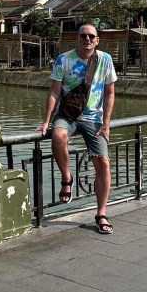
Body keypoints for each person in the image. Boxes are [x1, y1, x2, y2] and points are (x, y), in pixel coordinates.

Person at [37, 23, 117, 234]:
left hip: (94, 118)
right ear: (77, 39)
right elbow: (54, 92)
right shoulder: (64, 59)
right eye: (83, 36)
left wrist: (106, 123)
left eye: (91, 36)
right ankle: (67, 178)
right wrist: (46, 121)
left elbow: (110, 93)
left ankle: (101, 214)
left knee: (103, 162)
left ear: (97, 40)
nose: (87, 39)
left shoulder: (105, 59)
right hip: (67, 115)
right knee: (58, 135)